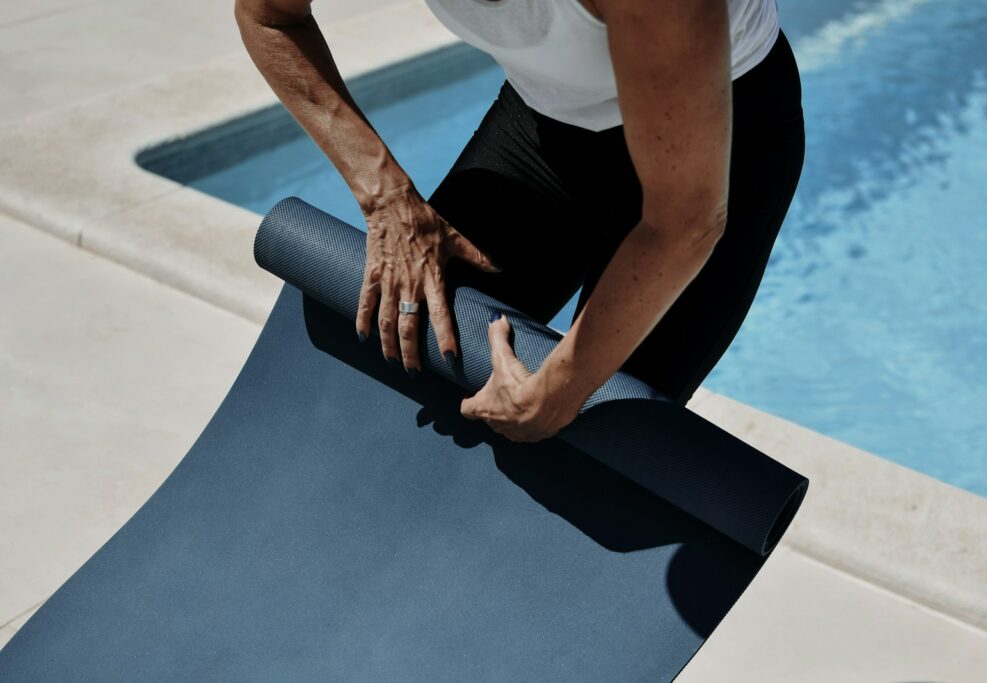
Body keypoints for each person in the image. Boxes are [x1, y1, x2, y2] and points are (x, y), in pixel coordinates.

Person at [235, 0, 805, 443]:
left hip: (722, 146)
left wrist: (560, 392)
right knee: (407, 365)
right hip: (547, 127)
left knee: (590, 448)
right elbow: (270, 17)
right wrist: (386, 196)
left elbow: (684, 225)